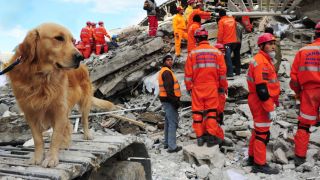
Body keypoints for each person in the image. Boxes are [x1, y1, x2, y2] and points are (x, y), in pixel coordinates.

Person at [184, 28, 228, 147]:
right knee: (211, 113)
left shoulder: (192, 53)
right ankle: (211, 137)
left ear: (197, 39)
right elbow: (222, 74)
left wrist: (189, 88)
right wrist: (223, 87)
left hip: (197, 88)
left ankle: (199, 137)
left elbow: (188, 74)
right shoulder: (217, 52)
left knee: (197, 114)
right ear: (207, 37)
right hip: (212, 87)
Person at [246, 33, 280, 174]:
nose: (273, 46)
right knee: (262, 134)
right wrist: (270, 108)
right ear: (261, 46)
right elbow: (262, 89)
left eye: (274, 43)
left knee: (258, 130)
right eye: (269, 43)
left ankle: (252, 157)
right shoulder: (262, 62)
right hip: (261, 101)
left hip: (258, 100)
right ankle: (259, 164)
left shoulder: (263, 60)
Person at [289, 22, 320, 167]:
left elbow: (294, 79)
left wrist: (298, 92)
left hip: (309, 92)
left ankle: (300, 157)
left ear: (315, 34)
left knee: (304, 125)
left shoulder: (303, 51)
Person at [158, 54, 182, 153]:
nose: (170, 61)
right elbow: (169, 90)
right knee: (173, 123)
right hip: (169, 100)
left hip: (165, 100)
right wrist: (175, 102)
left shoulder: (164, 71)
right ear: (164, 62)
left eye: (171, 60)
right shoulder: (167, 72)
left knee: (168, 122)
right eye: (168, 60)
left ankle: (167, 143)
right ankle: (172, 147)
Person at [217, 9, 241, 77]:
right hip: (235, 41)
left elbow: (220, 33)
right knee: (237, 56)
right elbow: (237, 27)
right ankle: (238, 72)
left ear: (220, 15)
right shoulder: (232, 19)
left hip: (227, 42)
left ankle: (230, 73)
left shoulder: (221, 21)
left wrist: (219, 42)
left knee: (228, 58)